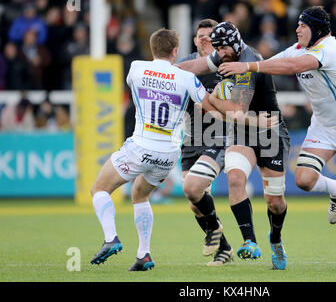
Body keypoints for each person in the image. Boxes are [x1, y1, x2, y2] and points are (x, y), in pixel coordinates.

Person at [219, 6, 336, 270]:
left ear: (317, 29)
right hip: (323, 126)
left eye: (303, 26)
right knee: (303, 180)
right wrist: (242, 68)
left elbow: (291, 66)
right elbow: (270, 65)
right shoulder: (299, 48)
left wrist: (246, 63)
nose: (297, 29)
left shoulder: (328, 51)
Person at [89, 28, 218, 271]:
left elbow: (139, 85)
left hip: (140, 145)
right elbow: (208, 105)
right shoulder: (185, 77)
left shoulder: (136, 68)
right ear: (175, 51)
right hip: (168, 153)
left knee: (99, 188)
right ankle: (144, 254)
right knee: (140, 194)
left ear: (152, 49)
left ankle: (110, 238)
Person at [177, 21, 290, 270]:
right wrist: (167, 70)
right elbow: (196, 65)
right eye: (217, 48)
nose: (220, 53)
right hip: (242, 133)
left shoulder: (250, 61)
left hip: (270, 133)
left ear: (236, 43)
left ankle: (276, 238)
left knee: (275, 202)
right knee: (236, 179)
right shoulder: (224, 55)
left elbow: (238, 111)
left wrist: (213, 100)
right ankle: (250, 242)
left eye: (223, 48)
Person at [177, 19, 234, 267]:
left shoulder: (227, 65)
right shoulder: (187, 65)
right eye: (200, 36)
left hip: (219, 137)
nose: (204, 39)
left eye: (209, 35)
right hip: (191, 139)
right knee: (194, 203)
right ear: (194, 40)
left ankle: (221, 238)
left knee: (195, 189)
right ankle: (225, 247)